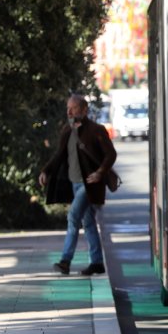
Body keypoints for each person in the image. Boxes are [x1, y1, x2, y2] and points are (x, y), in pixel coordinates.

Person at [39, 94, 116, 276]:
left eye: (73, 108)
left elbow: (111, 154)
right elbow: (59, 155)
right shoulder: (67, 130)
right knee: (88, 223)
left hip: (90, 185)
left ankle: (65, 261)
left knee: (73, 217)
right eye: (68, 108)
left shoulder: (96, 130)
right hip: (74, 184)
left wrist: (100, 172)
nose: (69, 112)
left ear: (84, 110)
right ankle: (97, 262)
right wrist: (46, 171)